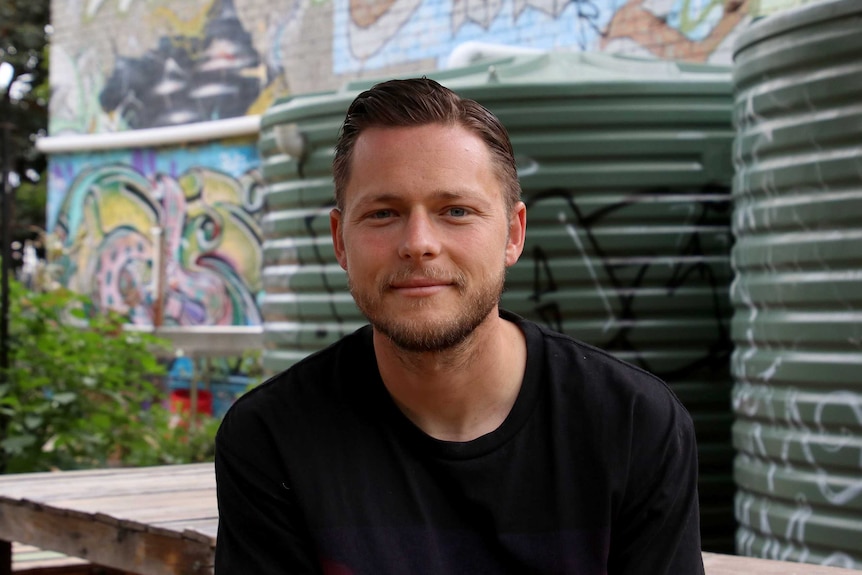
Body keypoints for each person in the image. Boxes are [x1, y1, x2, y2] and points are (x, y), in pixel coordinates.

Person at [214, 77, 704, 574]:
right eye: (384, 213)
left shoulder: (632, 424)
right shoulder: (274, 438)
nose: (419, 243)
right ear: (341, 242)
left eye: (456, 211)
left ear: (513, 234)